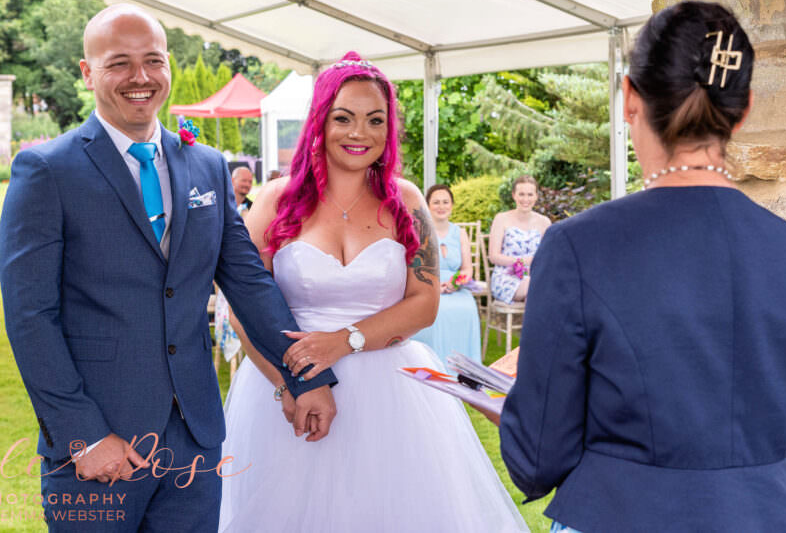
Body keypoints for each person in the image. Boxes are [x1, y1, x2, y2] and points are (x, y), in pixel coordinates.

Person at [495, 1, 786, 531]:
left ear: (630, 98)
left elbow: (539, 456)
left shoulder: (576, 247)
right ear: (743, 108)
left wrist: (507, 402)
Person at [0, 3, 337, 532]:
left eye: (153, 60)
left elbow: (248, 281)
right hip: (97, 442)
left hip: (194, 441)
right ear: (87, 73)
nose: (140, 77)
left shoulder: (206, 164)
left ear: (169, 67)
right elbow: (29, 318)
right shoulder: (47, 170)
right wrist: (82, 434)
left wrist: (304, 377)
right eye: (119, 63)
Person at [218, 52, 527, 532]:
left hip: (392, 393)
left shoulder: (406, 200)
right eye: (343, 118)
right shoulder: (277, 200)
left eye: (374, 120)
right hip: (287, 387)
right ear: (320, 123)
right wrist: (289, 383)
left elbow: (424, 303)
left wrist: (345, 340)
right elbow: (242, 302)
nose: (359, 132)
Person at [411, 184, 482, 363]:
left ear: (451, 205)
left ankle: (465, 368)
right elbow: (416, 267)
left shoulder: (460, 233)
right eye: (436, 202)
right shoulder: (420, 232)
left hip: (455, 288)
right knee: (439, 312)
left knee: (468, 309)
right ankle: (435, 365)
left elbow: (467, 269)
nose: (441, 206)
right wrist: (434, 286)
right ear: (428, 205)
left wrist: (454, 284)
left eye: (445, 202)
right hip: (427, 285)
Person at [488, 175, 551, 303]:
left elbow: (549, 257)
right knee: (536, 287)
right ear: (513, 195)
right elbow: (493, 256)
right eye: (521, 194)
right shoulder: (501, 219)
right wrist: (524, 261)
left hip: (535, 276)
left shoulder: (544, 222)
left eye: (530, 194)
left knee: (538, 288)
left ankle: (531, 323)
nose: (525, 199)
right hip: (506, 276)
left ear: (536, 196)